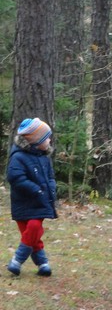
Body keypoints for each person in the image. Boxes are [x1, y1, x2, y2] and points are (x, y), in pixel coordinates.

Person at [6, 118, 57, 277]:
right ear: (36, 140)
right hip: (23, 203)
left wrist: (51, 189)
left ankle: (17, 261)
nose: (49, 140)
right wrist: (35, 189)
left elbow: (50, 177)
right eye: (46, 137)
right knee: (31, 235)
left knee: (35, 227)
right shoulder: (18, 157)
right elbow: (15, 178)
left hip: (39, 203)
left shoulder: (44, 157)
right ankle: (43, 264)